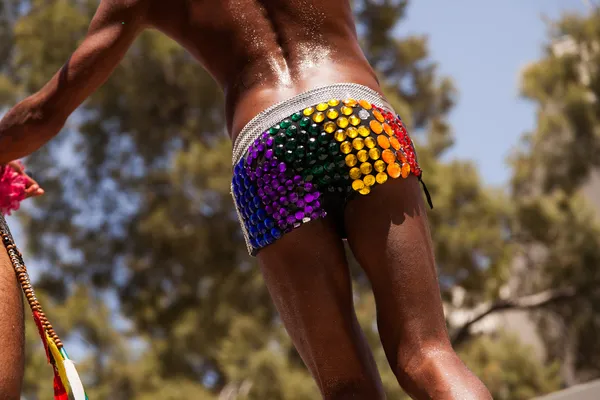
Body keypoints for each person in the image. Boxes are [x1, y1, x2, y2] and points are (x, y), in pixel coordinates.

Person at [0, 1, 492, 398]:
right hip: (355, 114)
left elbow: (42, 115)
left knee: (346, 387)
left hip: (268, 145)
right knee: (428, 355)